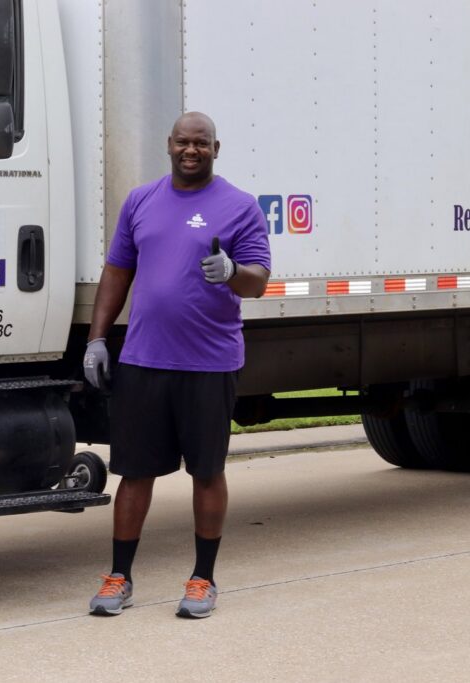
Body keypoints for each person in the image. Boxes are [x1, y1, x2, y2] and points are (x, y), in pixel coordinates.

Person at [84, 112, 271, 618]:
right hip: (145, 360)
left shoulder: (239, 207)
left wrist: (233, 272)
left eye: (202, 143)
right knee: (135, 472)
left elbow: (258, 281)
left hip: (209, 364)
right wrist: (97, 340)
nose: (192, 150)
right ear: (169, 145)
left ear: (216, 147)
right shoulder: (141, 201)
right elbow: (118, 270)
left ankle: (202, 580)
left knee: (206, 472)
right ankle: (119, 576)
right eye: (184, 142)